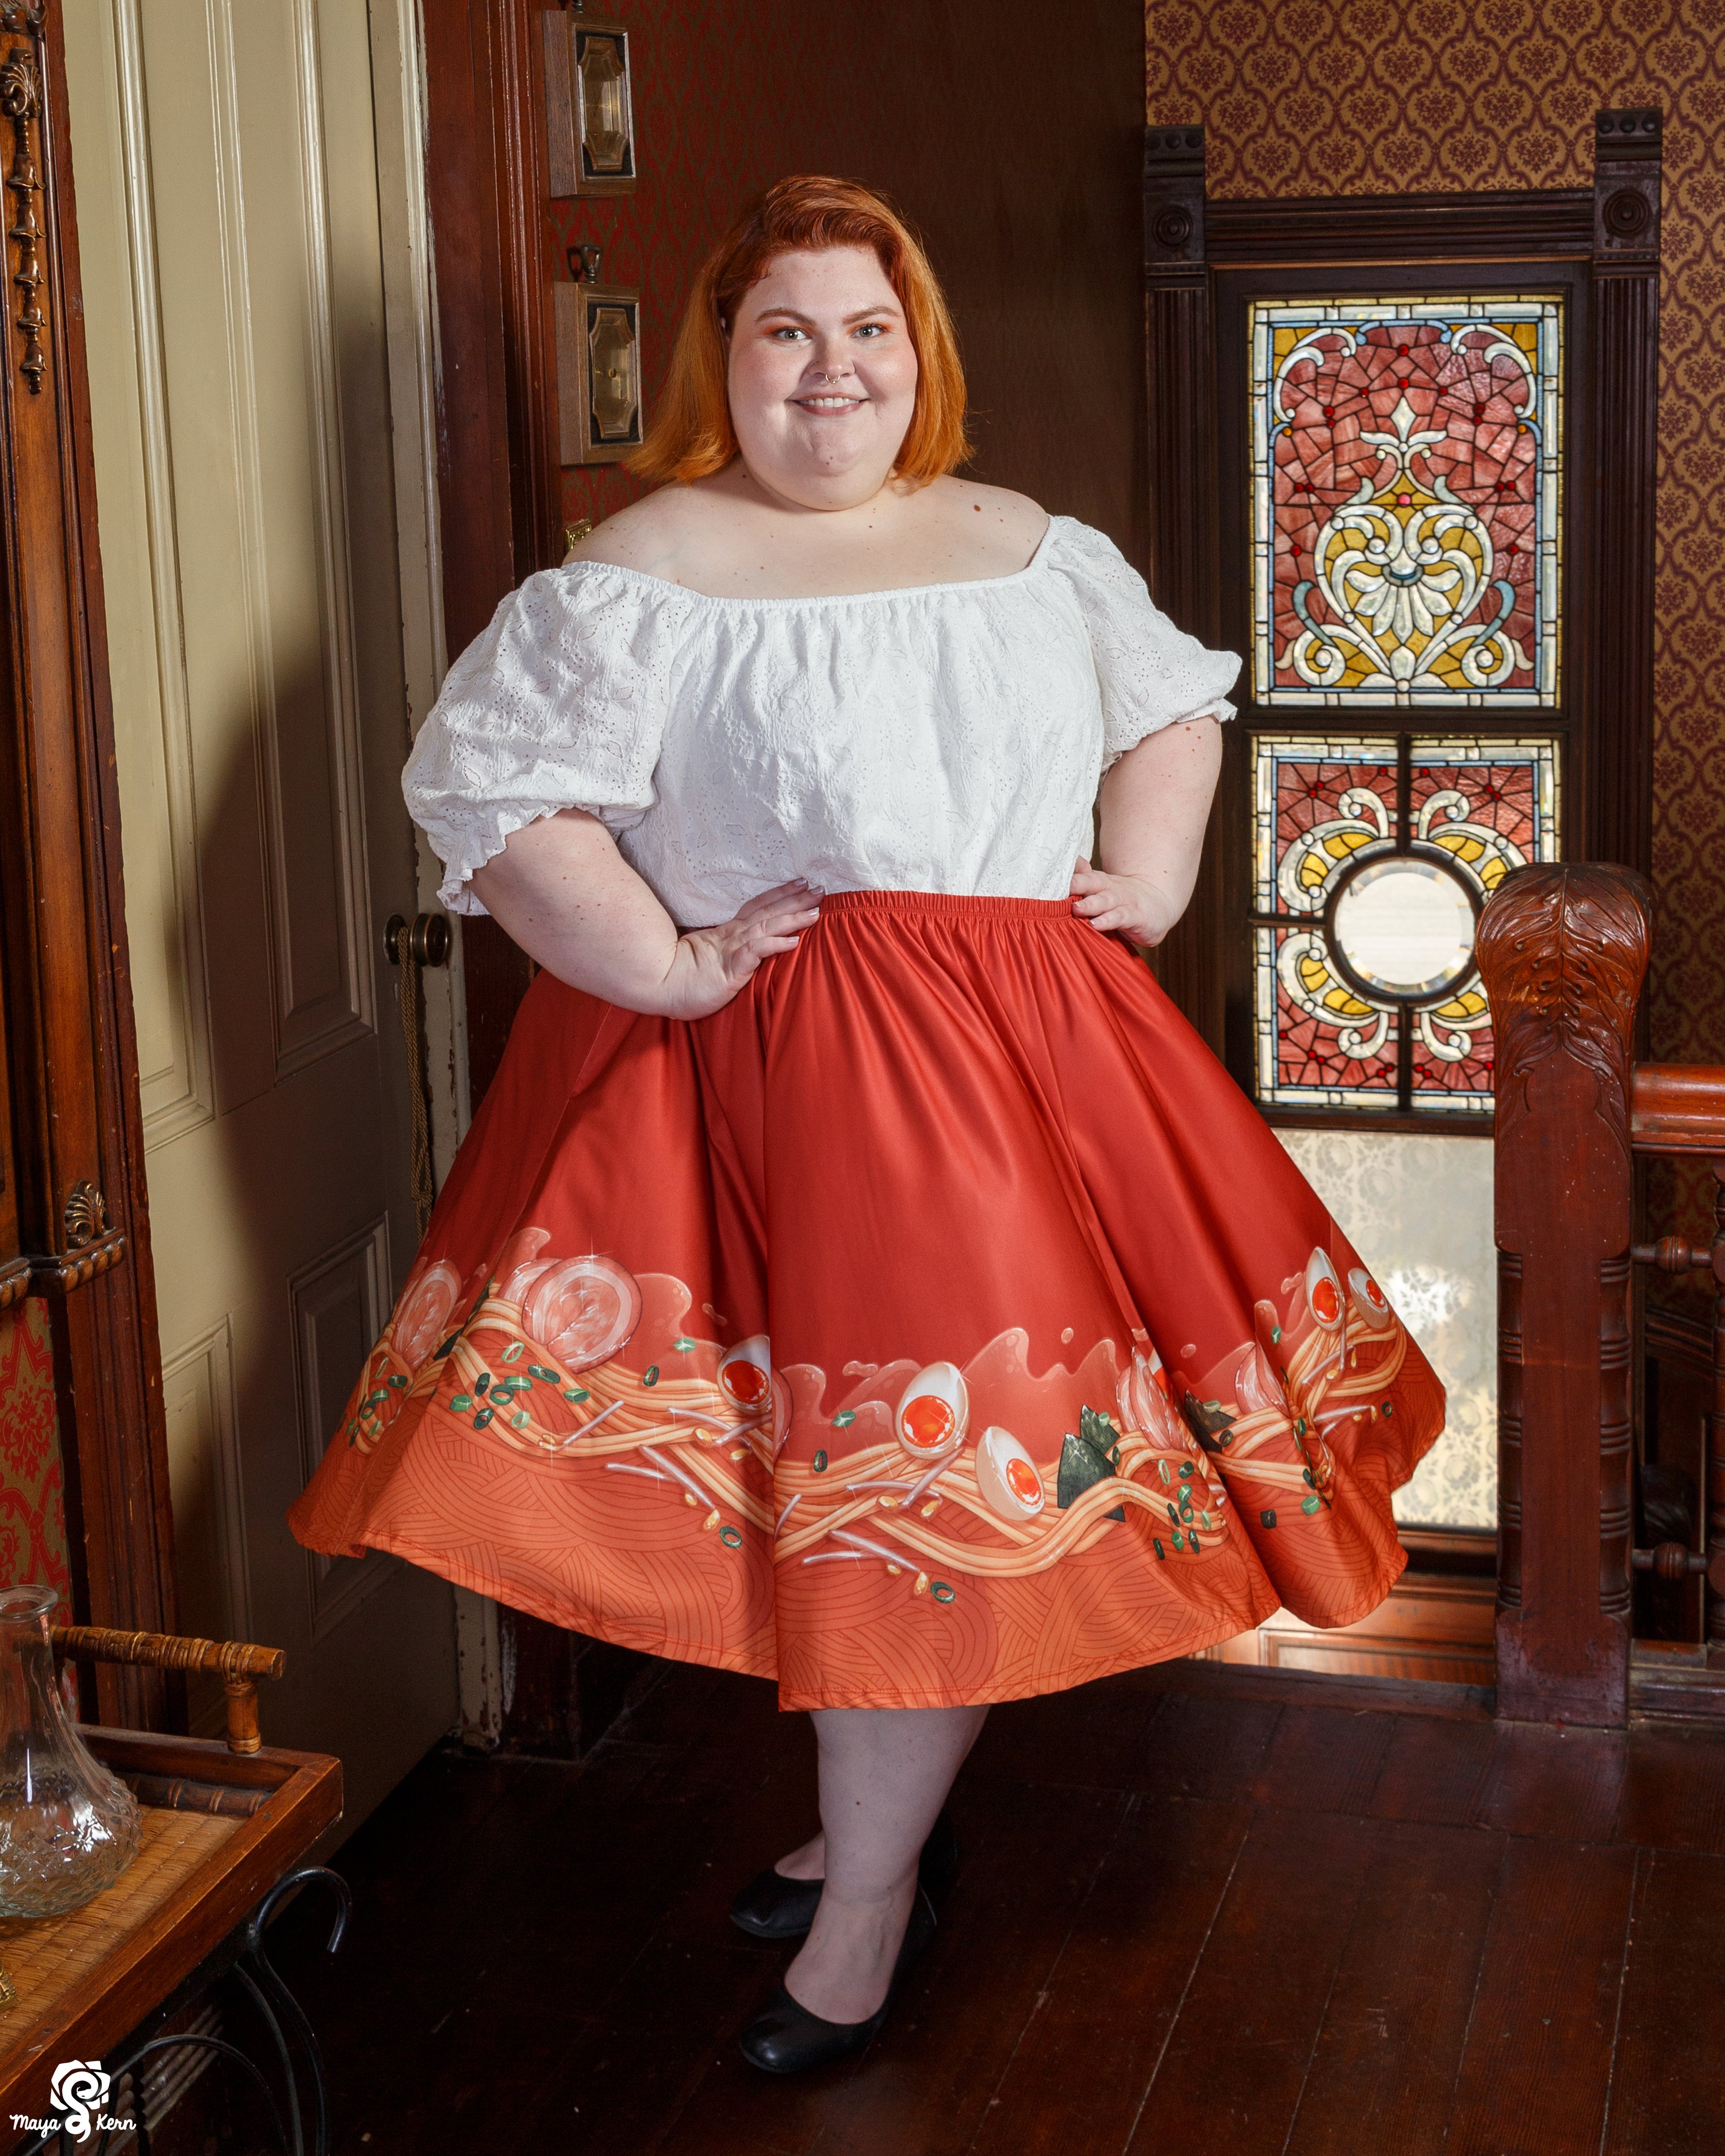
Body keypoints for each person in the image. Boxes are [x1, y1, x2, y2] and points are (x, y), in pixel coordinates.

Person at [289, 175, 1443, 2075]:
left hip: (1016, 1083)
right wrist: (665, 966)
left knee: (920, 1506)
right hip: (751, 1070)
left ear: (923, 357)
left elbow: (1171, 713)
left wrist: (1145, 880)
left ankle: (872, 1899)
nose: (833, 372)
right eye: (787, 332)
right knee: (803, 1489)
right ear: (724, 362)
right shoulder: (642, 567)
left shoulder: (1029, 549)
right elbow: (487, 796)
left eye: (870, 331)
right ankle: (866, 1839)